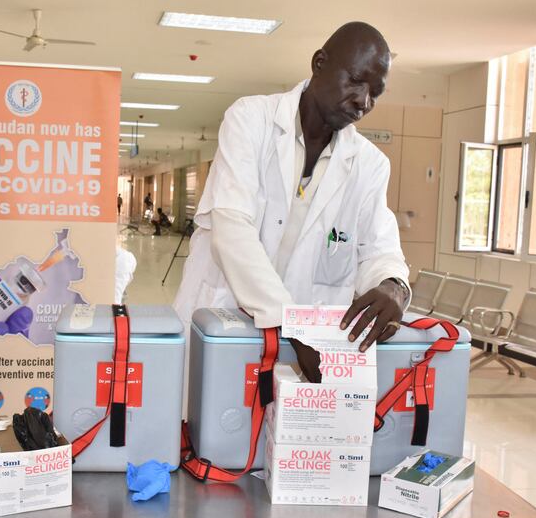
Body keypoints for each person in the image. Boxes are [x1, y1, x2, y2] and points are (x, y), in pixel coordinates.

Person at [174, 22, 411, 366]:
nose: (363, 101)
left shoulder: (370, 165)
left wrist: (394, 285)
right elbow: (231, 228)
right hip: (225, 324)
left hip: (310, 351)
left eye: (376, 92)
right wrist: (292, 327)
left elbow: (378, 249)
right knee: (209, 415)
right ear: (319, 63)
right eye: (356, 81)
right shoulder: (251, 119)